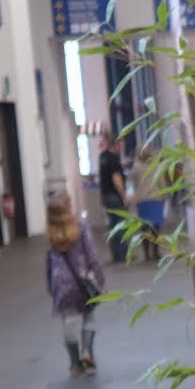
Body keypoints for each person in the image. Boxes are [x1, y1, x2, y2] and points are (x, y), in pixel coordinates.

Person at [45, 192, 105, 375]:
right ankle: (87, 351)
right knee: (89, 314)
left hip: (61, 283)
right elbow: (91, 254)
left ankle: (74, 364)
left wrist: (50, 285)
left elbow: (49, 261)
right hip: (82, 279)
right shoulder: (80, 226)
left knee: (69, 320)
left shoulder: (51, 232)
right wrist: (100, 277)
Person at [129, 143, 165, 262]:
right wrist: (164, 193)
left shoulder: (135, 167)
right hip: (155, 198)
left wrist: (134, 195)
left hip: (142, 200)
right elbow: (161, 181)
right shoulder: (156, 165)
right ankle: (156, 252)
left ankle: (146, 254)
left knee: (144, 228)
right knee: (156, 228)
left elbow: (132, 183)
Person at [97, 135, 130, 264]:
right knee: (121, 225)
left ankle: (116, 255)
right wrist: (124, 196)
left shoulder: (102, 157)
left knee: (112, 226)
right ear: (115, 144)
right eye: (121, 144)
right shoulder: (113, 159)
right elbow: (117, 179)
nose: (123, 147)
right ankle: (123, 254)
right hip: (115, 196)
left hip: (106, 196)